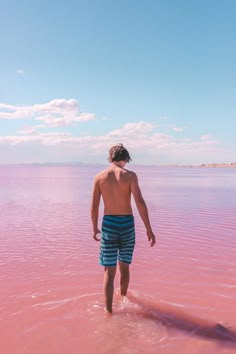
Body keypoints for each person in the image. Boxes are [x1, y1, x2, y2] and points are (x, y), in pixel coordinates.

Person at [90, 143, 156, 313]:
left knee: (109, 272)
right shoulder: (130, 176)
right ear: (126, 158)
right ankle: (124, 300)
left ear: (110, 158)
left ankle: (109, 312)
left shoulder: (99, 177)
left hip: (109, 225)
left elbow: (94, 207)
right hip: (127, 224)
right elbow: (140, 203)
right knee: (124, 267)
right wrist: (148, 228)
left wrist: (95, 228)